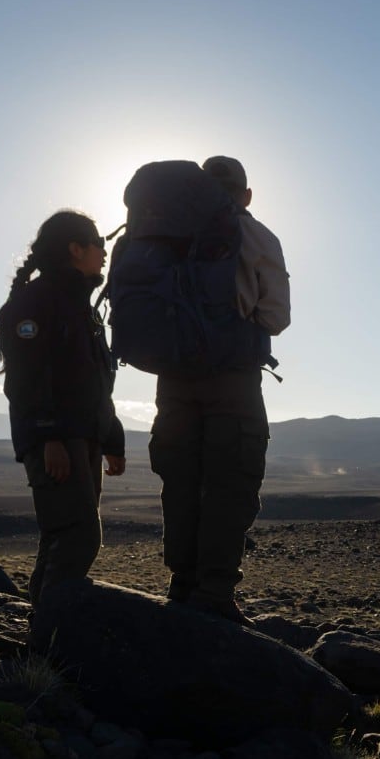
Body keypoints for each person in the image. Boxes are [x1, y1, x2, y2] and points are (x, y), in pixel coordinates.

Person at [148, 156, 290, 623]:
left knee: (181, 483)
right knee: (231, 485)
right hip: (233, 381)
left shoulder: (164, 232)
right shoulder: (257, 236)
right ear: (245, 195)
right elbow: (276, 317)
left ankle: (181, 583)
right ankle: (214, 593)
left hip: (173, 382)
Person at [0, 210, 126, 607]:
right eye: (99, 244)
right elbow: (25, 379)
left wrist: (111, 437)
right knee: (77, 536)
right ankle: (50, 637)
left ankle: (43, 635)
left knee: (63, 536)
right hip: (58, 441)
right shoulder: (35, 304)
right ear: (75, 249)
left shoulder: (80, 307)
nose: (104, 253)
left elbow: (96, 383)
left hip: (84, 437)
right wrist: (49, 435)